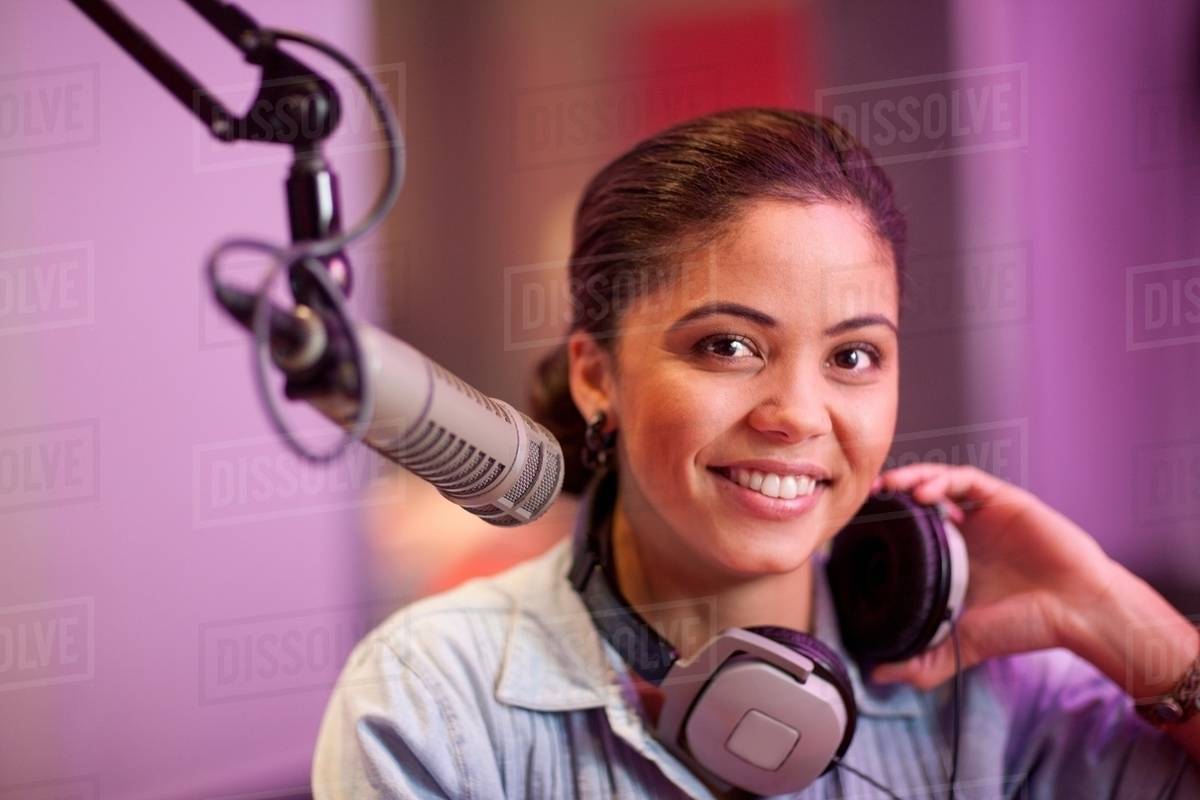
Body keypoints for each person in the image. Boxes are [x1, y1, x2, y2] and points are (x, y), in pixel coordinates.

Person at [310, 108, 1200, 799]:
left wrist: (1123, 619)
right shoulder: (436, 697)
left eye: (854, 356)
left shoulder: (1001, 689)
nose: (797, 415)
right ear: (595, 375)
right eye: (727, 346)